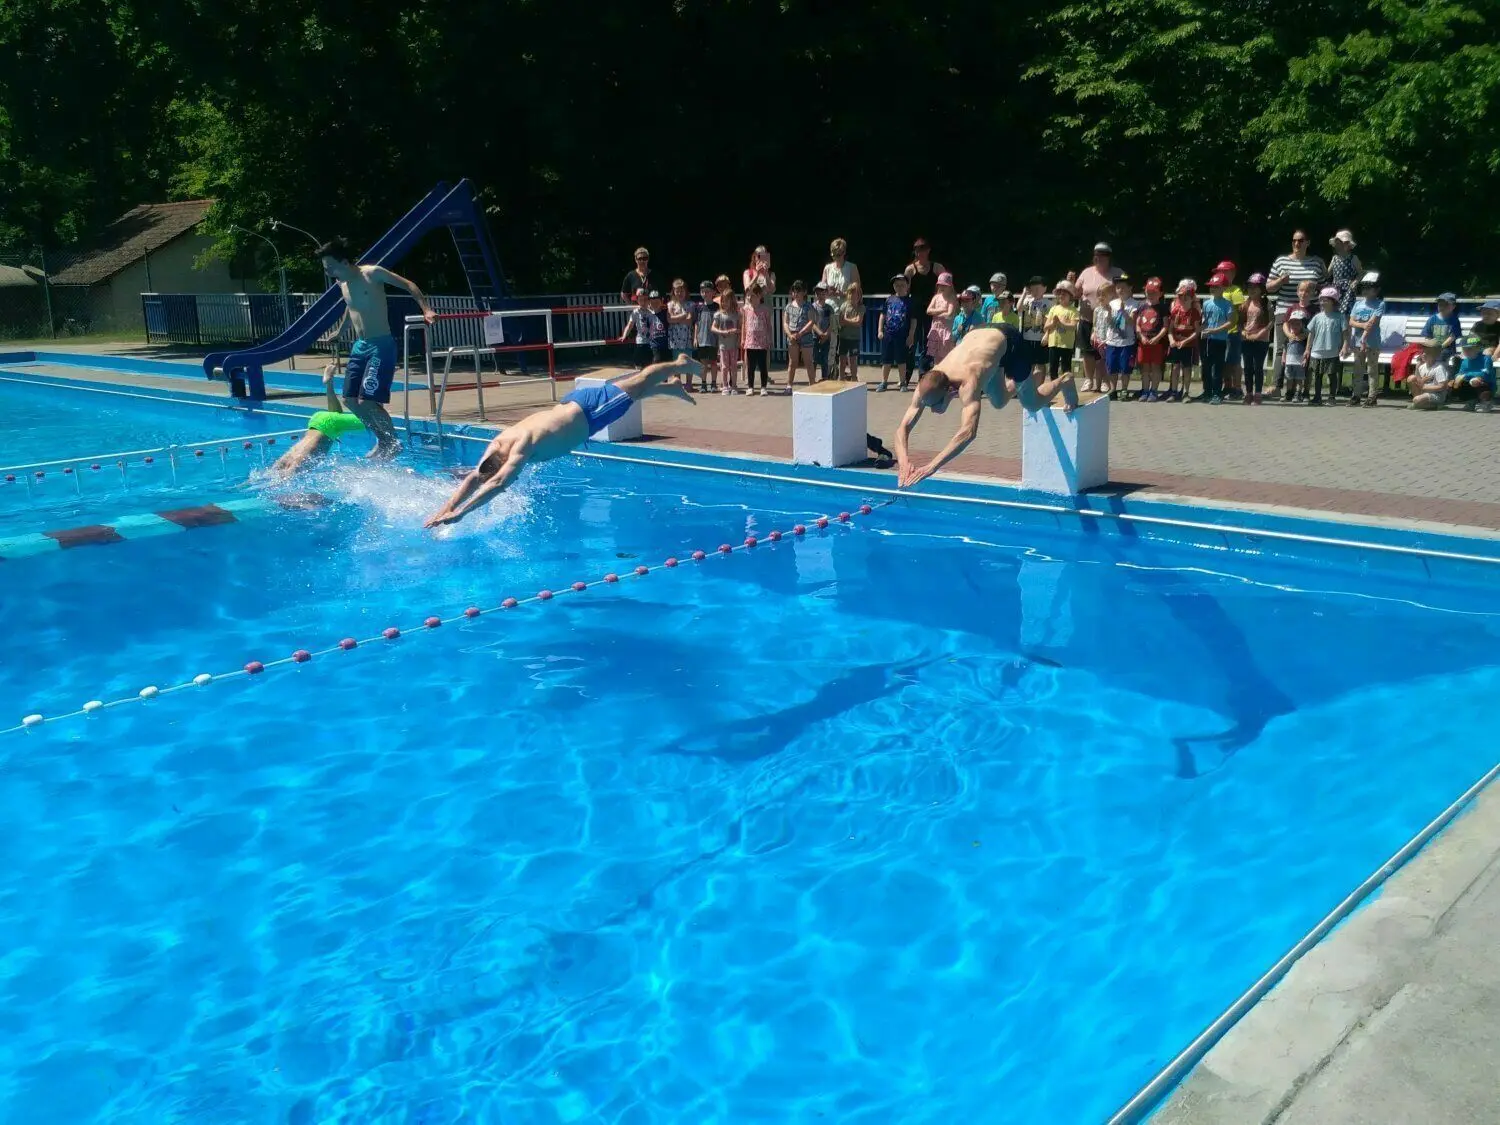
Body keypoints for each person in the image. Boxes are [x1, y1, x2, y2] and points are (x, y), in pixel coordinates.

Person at [425, 357, 699, 527]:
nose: (509, 478)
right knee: (629, 395)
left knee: (638, 383)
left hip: (590, 412)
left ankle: (678, 363)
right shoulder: (497, 445)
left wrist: (462, 513)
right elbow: (477, 476)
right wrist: (448, 506)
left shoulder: (521, 448)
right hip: (575, 407)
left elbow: (496, 483)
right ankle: (670, 387)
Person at [893, 324, 1078, 488]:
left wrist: (931, 467)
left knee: (1032, 403)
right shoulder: (927, 383)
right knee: (998, 402)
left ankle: (1064, 380)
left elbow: (968, 433)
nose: (932, 410)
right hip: (981, 336)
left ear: (950, 390)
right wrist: (903, 462)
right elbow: (903, 428)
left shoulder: (969, 383)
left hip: (1010, 343)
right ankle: (1020, 383)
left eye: (934, 404)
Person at [316, 237, 435, 458]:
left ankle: (392, 442)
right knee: (350, 401)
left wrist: (426, 309)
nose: (328, 271)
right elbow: (350, 309)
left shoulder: (372, 273)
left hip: (381, 345)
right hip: (360, 347)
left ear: (344, 262)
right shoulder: (342, 284)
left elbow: (409, 285)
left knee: (368, 401)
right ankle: (383, 441)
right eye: (325, 268)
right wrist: (340, 332)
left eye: (330, 267)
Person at [270, 365, 367, 477]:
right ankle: (330, 384)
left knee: (272, 473)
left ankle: (329, 384)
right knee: (373, 421)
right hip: (327, 423)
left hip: (318, 419)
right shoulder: (302, 460)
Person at [1267, 229, 1326, 391]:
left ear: (1308, 243)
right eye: (1294, 240)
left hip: (1309, 312)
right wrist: (1281, 280)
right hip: (1285, 310)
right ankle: (1276, 385)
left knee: (1308, 348)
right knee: (1282, 348)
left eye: (1300, 240)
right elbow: (1268, 287)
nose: (1296, 244)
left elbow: (1323, 287)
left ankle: (1304, 388)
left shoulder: (1315, 262)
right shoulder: (1281, 261)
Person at [1076, 242, 1123, 395]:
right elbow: (1076, 292)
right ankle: (1089, 379)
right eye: (1096, 256)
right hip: (1087, 318)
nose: (1098, 259)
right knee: (1087, 352)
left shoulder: (1117, 273)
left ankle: (1104, 380)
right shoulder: (1086, 272)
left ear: (1108, 258)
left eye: (1102, 256)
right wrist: (1071, 283)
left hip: (1107, 320)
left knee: (1104, 352)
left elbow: (1124, 290)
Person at [903, 238, 947, 381]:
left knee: (928, 341)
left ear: (928, 250)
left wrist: (943, 302)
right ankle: (906, 374)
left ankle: (924, 373)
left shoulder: (937, 267)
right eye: (917, 250)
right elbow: (905, 290)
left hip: (931, 309)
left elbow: (946, 284)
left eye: (922, 249)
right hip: (915, 308)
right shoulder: (910, 270)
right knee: (911, 340)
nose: (920, 253)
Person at [1347, 272, 1385, 407]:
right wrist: (1362, 325)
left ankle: (1372, 396)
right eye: (1364, 287)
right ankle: (1356, 395)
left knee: (1371, 370)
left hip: (1372, 342)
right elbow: (1351, 321)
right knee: (1357, 369)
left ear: (1377, 289)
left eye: (1369, 287)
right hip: (1357, 342)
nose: (1365, 290)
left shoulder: (1380, 304)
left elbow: (1373, 322)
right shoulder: (1358, 304)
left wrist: (1364, 326)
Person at [1306, 286, 1347, 404]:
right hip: (1317, 351)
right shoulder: (1317, 317)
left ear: (1333, 302)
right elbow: (1311, 334)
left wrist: (1345, 346)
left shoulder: (1340, 317)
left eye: (1326, 300)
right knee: (1317, 375)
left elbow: (1345, 333)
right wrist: (1308, 349)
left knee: (1332, 374)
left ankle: (1332, 396)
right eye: (1321, 299)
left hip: (1332, 350)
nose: (1323, 302)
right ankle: (1317, 396)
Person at [1101, 273, 1139, 399]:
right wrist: (1108, 312)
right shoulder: (1112, 303)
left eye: (1123, 287)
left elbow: (1132, 322)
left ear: (1130, 288)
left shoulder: (1133, 304)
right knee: (1112, 366)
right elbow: (1109, 322)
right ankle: (1113, 389)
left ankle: (1124, 389)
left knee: (1125, 368)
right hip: (1112, 340)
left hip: (1127, 342)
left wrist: (1123, 311)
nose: (1120, 290)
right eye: (1118, 288)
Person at [1214, 260, 1246, 400]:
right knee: (1224, 362)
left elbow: (1241, 310)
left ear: (1232, 273)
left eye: (1224, 271)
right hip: (1220, 332)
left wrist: (1240, 327)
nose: (1220, 274)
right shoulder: (1217, 289)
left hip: (1232, 331)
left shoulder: (1235, 290)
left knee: (1234, 361)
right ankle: (1227, 386)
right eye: (1219, 271)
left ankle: (1237, 388)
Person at [877, 274, 916, 391]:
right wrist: (880, 330)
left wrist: (911, 335)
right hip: (888, 334)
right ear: (894, 286)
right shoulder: (889, 300)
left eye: (902, 285)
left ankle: (903, 382)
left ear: (907, 286)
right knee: (886, 360)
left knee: (901, 360)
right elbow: (882, 315)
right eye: (897, 285)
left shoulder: (910, 301)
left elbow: (914, 320)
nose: (899, 287)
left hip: (902, 336)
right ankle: (884, 382)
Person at [1200, 274, 1233, 404]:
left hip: (1220, 340)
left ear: (1223, 288)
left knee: (1217, 368)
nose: (1213, 289)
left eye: (1216, 287)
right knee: (1206, 367)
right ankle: (1207, 392)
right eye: (1211, 287)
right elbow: (1204, 321)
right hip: (1207, 340)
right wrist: (1201, 330)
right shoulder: (1207, 303)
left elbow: (1230, 322)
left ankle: (1217, 394)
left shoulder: (1227, 304)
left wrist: (1216, 330)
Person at [1240, 274, 1272, 405]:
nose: (1252, 289)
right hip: (1246, 339)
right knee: (1247, 367)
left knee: (1258, 366)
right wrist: (1243, 332)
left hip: (1261, 340)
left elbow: (1271, 322)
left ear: (1261, 289)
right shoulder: (1245, 303)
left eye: (1255, 287)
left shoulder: (1266, 303)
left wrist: (1259, 335)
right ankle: (1248, 393)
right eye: (1249, 287)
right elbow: (1241, 322)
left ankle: (1258, 393)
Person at [1166, 279, 1201, 403]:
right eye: (1180, 296)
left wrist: (1185, 341)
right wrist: (1171, 340)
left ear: (1192, 298)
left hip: (1188, 345)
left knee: (1187, 368)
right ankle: (1174, 392)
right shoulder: (1175, 311)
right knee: (1175, 368)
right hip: (1176, 344)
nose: (1183, 299)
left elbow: (1197, 331)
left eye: (1186, 297)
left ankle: (1186, 392)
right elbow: (1170, 329)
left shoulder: (1195, 312)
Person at [1135, 278, 1169, 401]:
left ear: (1160, 294)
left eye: (1154, 292)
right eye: (1148, 292)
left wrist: (1157, 338)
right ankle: (1144, 390)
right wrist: (1142, 336)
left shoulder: (1163, 307)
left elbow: (1166, 326)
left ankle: (1153, 391)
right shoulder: (1141, 306)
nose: (1151, 295)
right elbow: (1137, 324)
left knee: (1155, 367)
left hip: (1157, 343)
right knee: (1145, 368)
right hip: (1143, 342)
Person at [783, 280, 818, 388]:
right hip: (792, 336)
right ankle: (789, 385)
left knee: (808, 362)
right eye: (794, 291)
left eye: (799, 291)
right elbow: (785, 322)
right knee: (793, 362)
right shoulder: (788, 307)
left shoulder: (808, 306)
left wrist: (801, 333)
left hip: (805, 336)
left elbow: (811, 321)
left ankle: (812, 384)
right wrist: (789, 335)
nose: (796, 293)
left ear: (804, 292)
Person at [1044, 280, 1080, 384]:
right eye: (1059, 294)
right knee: (1053, 367)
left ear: (1070, 296)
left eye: (1064, 294)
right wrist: (1053, 324)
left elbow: (1073, 326)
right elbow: (1046, 327)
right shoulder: (1053, 309)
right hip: (1053, 343)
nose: (1061, 296)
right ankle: (1053, 387)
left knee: (1066, 368)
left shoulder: (1073, 310)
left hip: (1066, 344)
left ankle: (1067, 387)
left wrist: (1061, 324)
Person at [742, 283, 772, 394]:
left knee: (762, 365)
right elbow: (744, 325)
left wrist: (770, 339)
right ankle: (750, 387)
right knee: (750, 366)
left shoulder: (765, 310)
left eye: (752, 295)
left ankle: (763, 387)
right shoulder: (746, 309)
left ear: (759, 295)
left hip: (762, 342)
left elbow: (769, 326)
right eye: (748, 295)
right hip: (750, 342)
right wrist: (743, 339)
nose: (750, 298)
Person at [1018, 276, 1050, 379]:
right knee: (1028, 363)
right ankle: (1029, 386)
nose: (1034, 291)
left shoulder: (1048, 303)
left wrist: (1047, 335)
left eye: (1037, 288)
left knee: (1040, 363)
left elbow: (1049, 321)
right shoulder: (1027, 300)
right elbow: (1018, 308)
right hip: (1027, 337)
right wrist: (1024, 293)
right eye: (1032, 288)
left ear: (1044, 288)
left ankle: (1039, 386)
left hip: (1041, 338)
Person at [925, 273, 958, 370]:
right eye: (940, 285)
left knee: (947, 356)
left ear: (950, 286)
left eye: (945, 285)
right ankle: (937, 377)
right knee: (936, 357)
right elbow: (928, 311)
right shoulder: (936, 297)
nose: (942, 287)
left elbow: (950, 314)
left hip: (947, 331)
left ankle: (947, 378)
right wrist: (943, 310)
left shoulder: (952, 297)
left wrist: (936, 313)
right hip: (936, 329)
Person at [712, 289, 742, 395]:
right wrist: (723, 331)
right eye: (723, 301)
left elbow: (740, 329)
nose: (725, 303)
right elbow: (713, 328)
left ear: (732, 301)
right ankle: (724, 386)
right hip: (723, 345)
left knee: (733, 366)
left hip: (733, 345)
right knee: (724, 366)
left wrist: (737, 335)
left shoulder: (737, 314)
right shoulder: (718, 314)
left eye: (727, 301)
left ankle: (734, 385)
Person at [1407, 338, 1451, 409]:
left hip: (1437, 395)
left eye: (1427, 352)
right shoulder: (1422, 367)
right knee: (1411, 378)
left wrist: (1425, 387)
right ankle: (1418, 403)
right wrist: (1417, 368)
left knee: (1417, 400)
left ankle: (1436, 406)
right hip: (1425, 393)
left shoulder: (1439, 368)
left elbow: (1442, 386)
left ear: (1435, 355)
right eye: (1423, 352)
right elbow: (1419, 382)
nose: (1423, 354)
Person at [1455, 335, 1495, 411]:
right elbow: (1460, 373)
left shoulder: (1486, 359)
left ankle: (1486, 403)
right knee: (1456, 383)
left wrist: (1468, 376)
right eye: (1464, 349)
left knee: (1476, 381)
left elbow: (1486, 374)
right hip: (1471, 384)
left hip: (1486, 384)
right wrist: (1458, 377)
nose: (1466, 351)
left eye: (1470, 349)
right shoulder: (1465, 361)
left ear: (1479, 348)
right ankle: (1471, 401)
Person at [617, 288, 653, 368]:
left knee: (649, 365)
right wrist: (624, 335)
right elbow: (630, 325)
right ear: (637, 300)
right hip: (640, 342)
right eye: (640, 300)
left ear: (649, 300)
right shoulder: (635, 312)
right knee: (638, 364)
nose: (643, 302)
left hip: (651, 342)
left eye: (645, 299)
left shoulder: (652, 312)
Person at [1423, 292, 1462, 367]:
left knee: (1438, 358)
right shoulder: (1432, 319)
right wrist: (1430, 348)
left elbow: (1452, 337)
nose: (1442, 307)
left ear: (1453, 306)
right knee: (1421, 359)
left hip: (1447, 348)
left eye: (1446, 305)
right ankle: (1422, 377)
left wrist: (1440, 347)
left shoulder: (1454, 320)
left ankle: (1438, 376)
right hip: (1432, 347)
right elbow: (1427, 336)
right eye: (1440, 304)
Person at [693, 280, 719, 391]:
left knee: (713, 362)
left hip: (713, 339)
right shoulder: (698, 307)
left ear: (713, 292)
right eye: (703, 292)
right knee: (703, 364)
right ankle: (703, 384)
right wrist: (695, 338)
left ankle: (713, 383)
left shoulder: (717, 307)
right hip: (702, 339)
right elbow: (696, 324)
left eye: (707, 291)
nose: (705, 294)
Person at [839, 282, 866, 381]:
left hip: (854, 338)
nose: (854, 296)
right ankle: (841, 378)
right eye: (851, 293)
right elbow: (841, 322)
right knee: (842, 359)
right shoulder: (844, 306)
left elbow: (858, 322)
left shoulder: (861, 307)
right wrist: (851, 321)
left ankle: (854, 378)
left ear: (860, 295)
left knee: (853, 360)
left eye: (857, 294)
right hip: (843, 336)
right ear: (848, 294)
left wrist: (847, 321)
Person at [667, 279, 696, 372]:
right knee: (676, 363)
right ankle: (677, 382)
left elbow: (689, 321)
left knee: (688, 361)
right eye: (677, 291)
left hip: (687, 339)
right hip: (675, 339)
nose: (679, 293)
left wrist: (676, 319)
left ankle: (688, 383)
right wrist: (683, 315)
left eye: (682, 291)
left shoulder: (691, 304)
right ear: (674, 292)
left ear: (686, 291)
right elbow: (670, 319)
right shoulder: (670, 304)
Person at [1283, 307, 1309, 402]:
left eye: (1297, 324)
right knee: (1289, 379)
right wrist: (1283, 358)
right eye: (1292, 324)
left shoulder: (1304, 338)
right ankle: (1288, 393)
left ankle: (1298, 394)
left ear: (1302, 325)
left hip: (1299, 362)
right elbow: (1285, 348)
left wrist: (1305, 359)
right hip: (1289, 362)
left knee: (1299, 379)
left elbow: (1307, 349)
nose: (1295, 326)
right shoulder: (1289, 337)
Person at [811, 281, 834, 382]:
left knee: (825, 359)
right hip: (814, 337)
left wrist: (826, 334)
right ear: (816, 294)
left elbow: (832, 323)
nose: (821, 295)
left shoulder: (829, 308)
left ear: (827, 294)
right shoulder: (812, 307)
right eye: (819, 293)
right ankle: (812, 379)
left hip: (826, 337)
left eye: (823, 292)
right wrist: (820, 333)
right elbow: (811, 322)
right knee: (814, 359)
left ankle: (825, 378)